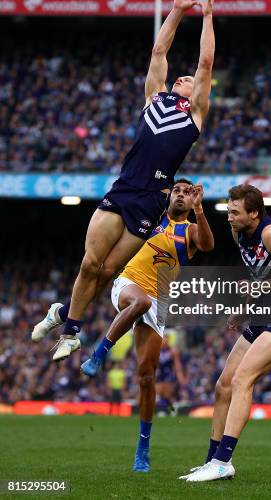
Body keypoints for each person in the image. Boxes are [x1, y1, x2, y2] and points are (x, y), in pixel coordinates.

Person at [41, 0, 217, 362]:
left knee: (107, 271)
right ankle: (70, 329)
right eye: (181, 77)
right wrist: (178, 8)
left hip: (153, 200)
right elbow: (159, 50)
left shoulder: (196, 113)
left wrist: (207, 16)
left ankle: (64, 318)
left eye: (190, 79)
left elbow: (206, 64)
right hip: (125, 188)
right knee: (90, 263)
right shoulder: (155, 97)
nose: (186, 78)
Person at [33, 180, 214, 473]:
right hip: (127, 284)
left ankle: (143, 448)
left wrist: (201, 210)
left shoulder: (190, 230)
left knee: (146, 376)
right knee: (138, 303)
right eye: (177, 191)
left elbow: (207, 245)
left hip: (160, 301)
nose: (181, 195)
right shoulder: (152, 218)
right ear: (169, 197)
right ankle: (99, 353)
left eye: (187, 192)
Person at [180, 184, 271, 482]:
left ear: (254, 213)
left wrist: (259, 289)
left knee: (242, 380)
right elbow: (259, 275)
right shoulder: (239, 233)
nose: (229, 217)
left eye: (235, 212)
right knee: (223, 385)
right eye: (228, 210)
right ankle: (212, 461)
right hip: (262, 315)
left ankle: (224, 461)